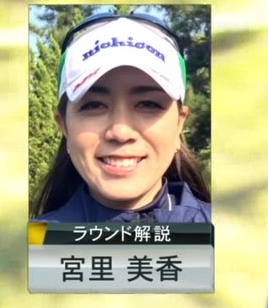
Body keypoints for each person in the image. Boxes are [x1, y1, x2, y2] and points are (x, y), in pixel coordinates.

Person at [30, 12, 211, 223]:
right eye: (94, 105)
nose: (121, 132)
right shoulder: (33, 241)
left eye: (148, 104)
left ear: (179, 124)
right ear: (64, 127)